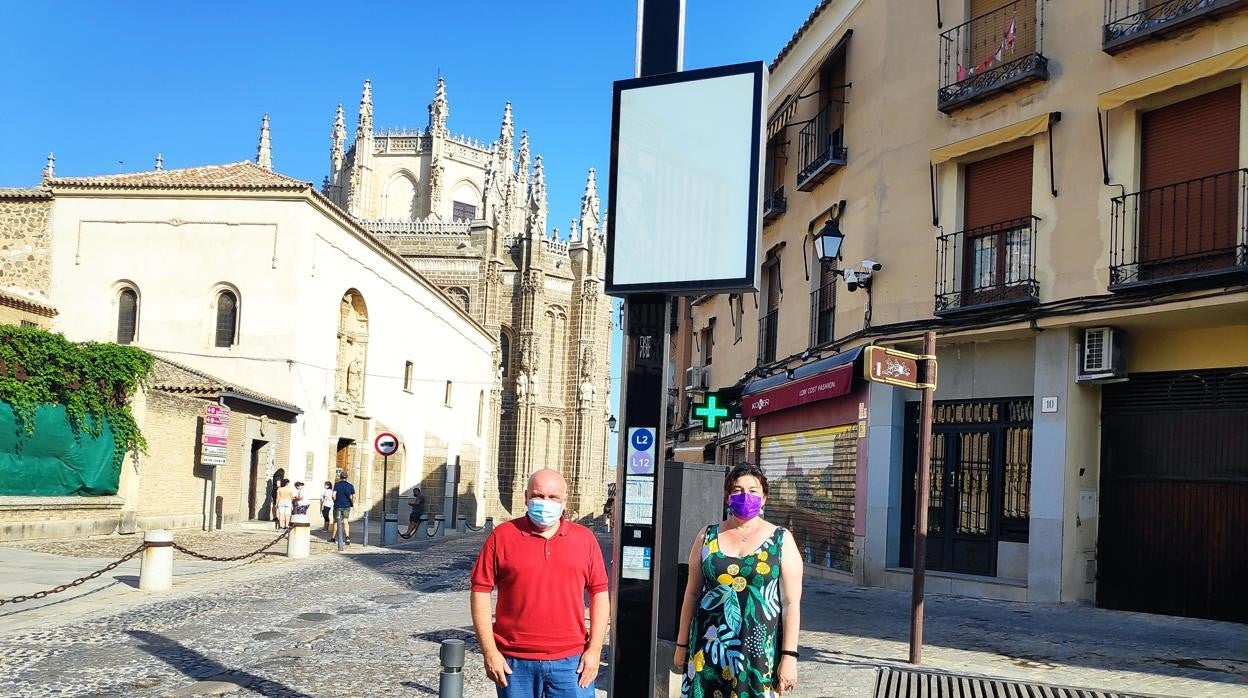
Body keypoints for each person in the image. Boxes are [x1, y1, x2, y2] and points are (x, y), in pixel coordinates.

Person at [470, 468, 608, 698]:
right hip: (515, 662)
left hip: (571, 662)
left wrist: (594, 649)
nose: (545, 502)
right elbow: (480, 591)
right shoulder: (502, 536)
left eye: (553, 497)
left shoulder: (584, 539)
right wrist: (489, 651)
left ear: (564, 501)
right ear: (525, 497)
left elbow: (600, 594)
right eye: (538, 495)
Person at [673, 464, 804, 697]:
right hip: (708, 649)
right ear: (727, 497)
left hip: (758, 654)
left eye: (753, 491)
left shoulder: (781, 540)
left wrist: (789, 657)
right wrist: (681, 645)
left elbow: (791, 604)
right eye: (737, 490)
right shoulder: (707, 536)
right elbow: (691, 594)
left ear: (764, 498)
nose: (746, 496)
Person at [331, 472, 355, 545]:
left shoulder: (337, 485)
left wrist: (335, 501)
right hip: (346, 505)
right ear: (347, 477)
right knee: (345, 521)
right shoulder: (350, 485)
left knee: (336, 521)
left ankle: (333, 538)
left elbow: (333, 495)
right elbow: (353, 496)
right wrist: (351, 503)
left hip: (338, 505)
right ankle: (347, 537)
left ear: (340, 477)